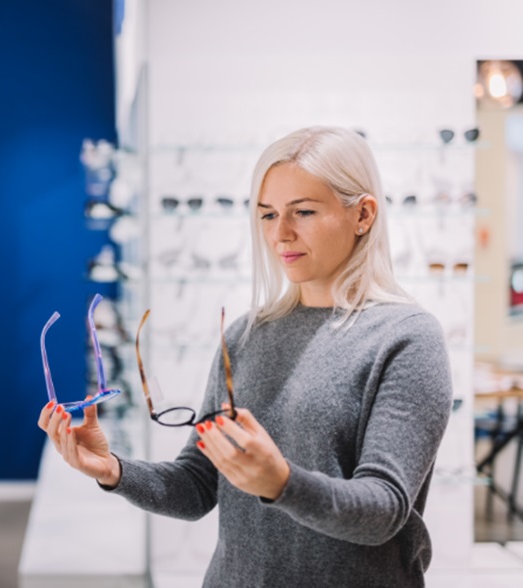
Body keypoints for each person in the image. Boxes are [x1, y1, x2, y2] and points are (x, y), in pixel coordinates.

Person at [38, 126, 453, 587]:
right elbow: (198, 484)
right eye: (268, 214)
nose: (281, 234)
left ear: (363, 215)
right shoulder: (245, 335)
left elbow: (383, 510)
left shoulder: (407, 339)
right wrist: (114, 470)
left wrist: (282, 483)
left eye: (304, 212)